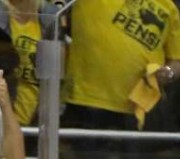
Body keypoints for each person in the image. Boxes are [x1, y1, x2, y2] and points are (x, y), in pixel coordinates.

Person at [62, 0, 180, 131]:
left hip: (142, 108)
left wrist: (168, 73)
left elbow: (176, 60)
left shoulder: (169, 7)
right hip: (87, 102)